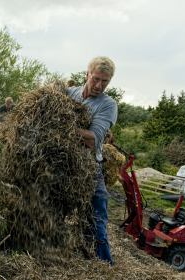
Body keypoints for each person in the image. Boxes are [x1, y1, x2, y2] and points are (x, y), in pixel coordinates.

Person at [67, 56, 118, 266]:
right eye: (95, 79)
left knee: (96, 217)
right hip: (61, 162)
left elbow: (92, 139)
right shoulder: (71, 93)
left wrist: (59, 126)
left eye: (105, 81)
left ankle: (103, 266)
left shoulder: (108, 104)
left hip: (88, 166)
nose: (99, 86)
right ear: (87, 75)